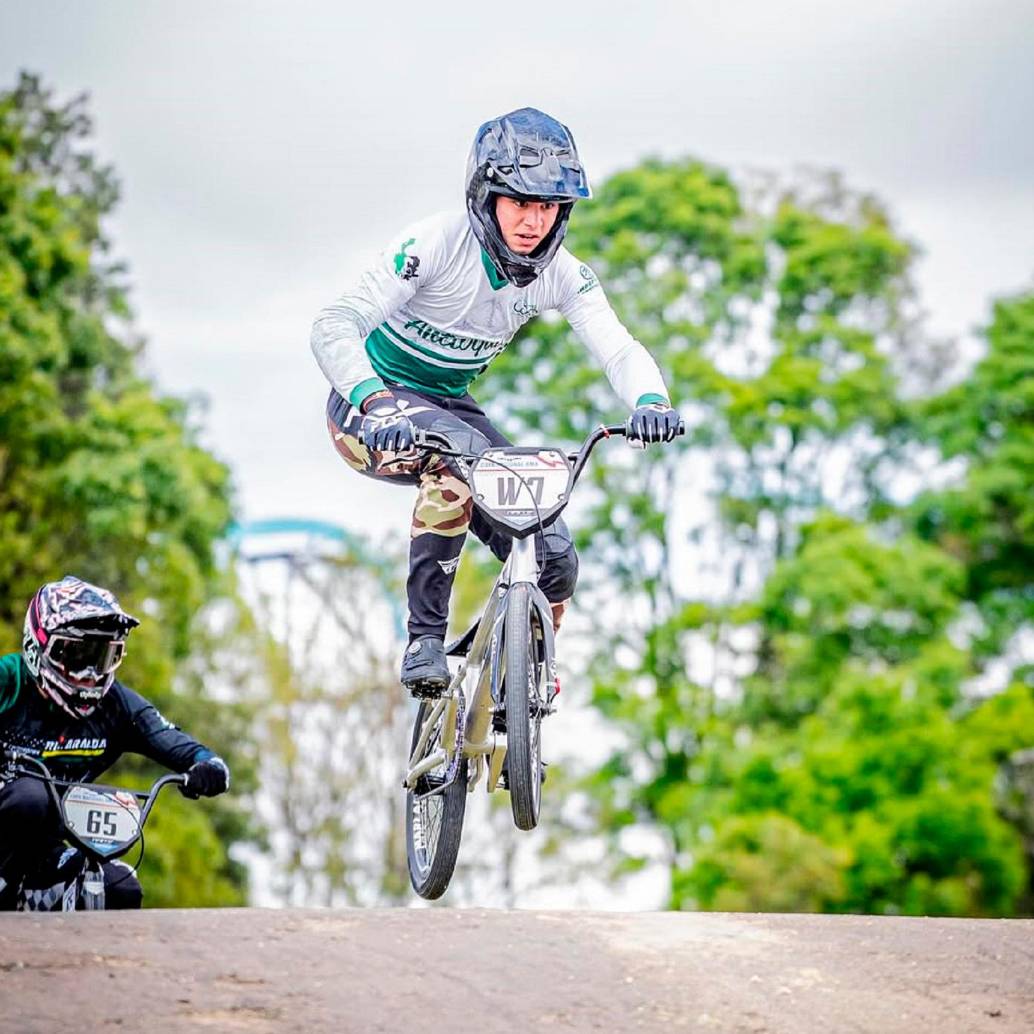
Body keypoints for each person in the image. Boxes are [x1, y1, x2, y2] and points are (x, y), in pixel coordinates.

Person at [311, 107, 679, 698]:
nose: (535, 222)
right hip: (368, 409)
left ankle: (526, 665)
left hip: (451, 404)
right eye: (519, 203)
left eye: (548, 206)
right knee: (457, 462)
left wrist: (651, 400)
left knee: (555, 550)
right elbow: (334, 325)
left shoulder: (562, 274)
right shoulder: (432, 243)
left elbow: (619, 348)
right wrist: (374, 402)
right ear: (486, 198)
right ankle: (424, 640)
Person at [0, 576, 230, 910]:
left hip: (44, 849)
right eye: (78, 655)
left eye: (103, 657)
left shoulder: (118, 705)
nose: (91, 674)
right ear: (39, 648)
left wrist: (208, 766)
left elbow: (180, 745)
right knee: (30, 797)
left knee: (121, 888)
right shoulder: (9, 681)